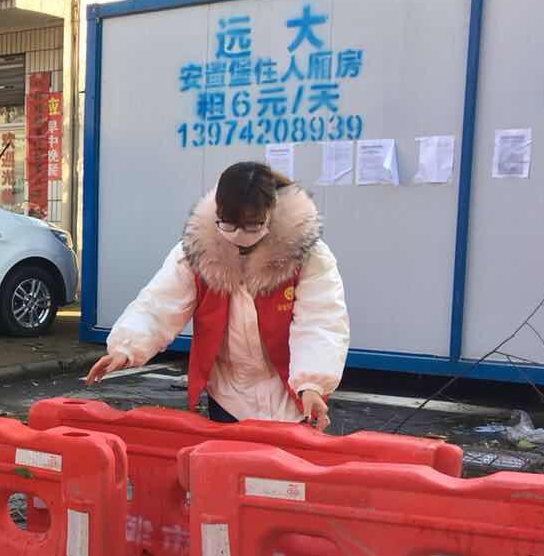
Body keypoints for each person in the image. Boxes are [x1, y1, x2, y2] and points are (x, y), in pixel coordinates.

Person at [85, 161, 349, 430]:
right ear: (217, 211)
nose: (239, 236)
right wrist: (126, 347)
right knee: (230, 457)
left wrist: (312, 384)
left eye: (252, 226)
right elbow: (160, 303)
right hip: (229, 393)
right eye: (229, 225)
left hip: (290, 394)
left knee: (284, 457)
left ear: (272, 211)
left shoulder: (307, 254)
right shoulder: (197, 250)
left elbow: (320, 319)